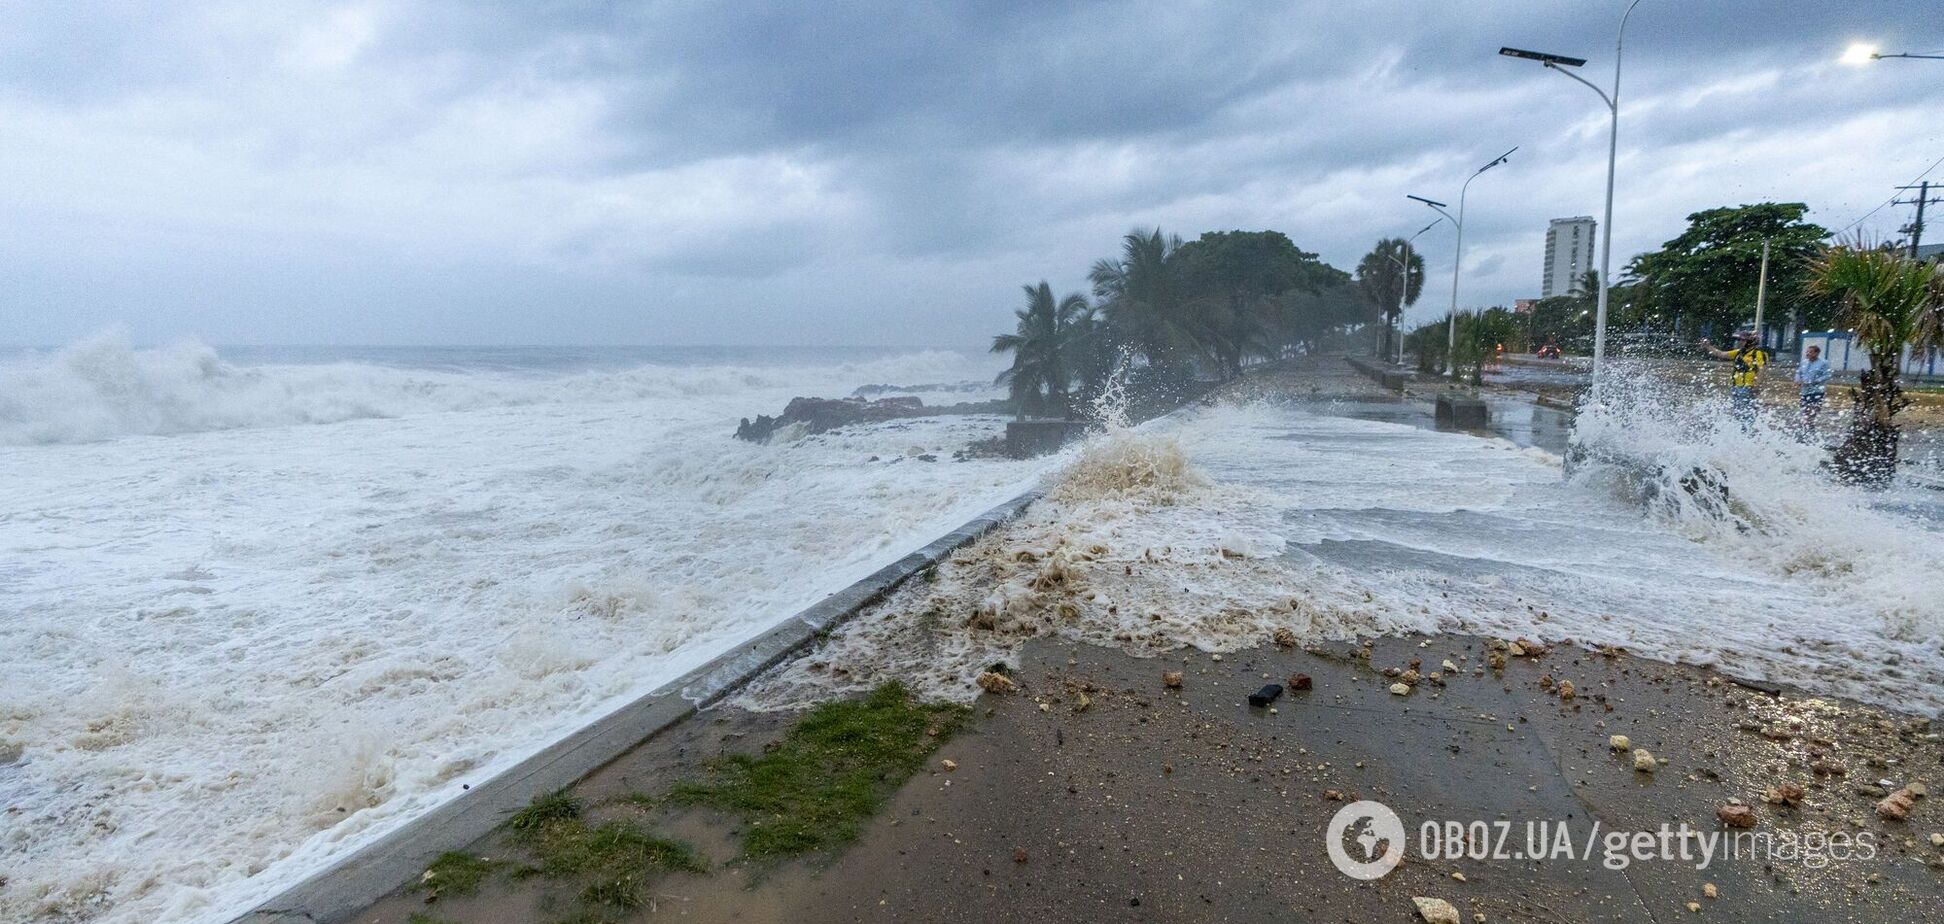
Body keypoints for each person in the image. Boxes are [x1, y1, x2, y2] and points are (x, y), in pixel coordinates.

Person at [1698, 328, 1768, 426]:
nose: (1739, 342)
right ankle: (1740, 434)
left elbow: (1762, 370)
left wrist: (1756, 385)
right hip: (1736, 387)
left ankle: (1748, 435)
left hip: (1748, 388)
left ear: (1749, 341)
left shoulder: (1758, 353)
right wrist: (1708, 347)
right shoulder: (1739, 352)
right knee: (1737, 414)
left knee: (1747, 415)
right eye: (1738, 340)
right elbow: (1722, 354)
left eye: (1742, 340)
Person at [1794, 344, 1832, 429]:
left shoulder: (1823, 363)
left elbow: (1828, 375)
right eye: (1807, 351)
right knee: (1804, 409)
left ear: (1817, 353)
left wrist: (1814, 381)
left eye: (1810, 352)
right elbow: (1798, 372)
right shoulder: (1804, 362)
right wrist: (1797, 379)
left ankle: (1810, 426)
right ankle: (1805, 426)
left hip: (1817, 391)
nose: (1808, 353)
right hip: (1805, 391)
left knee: (1813, 410)